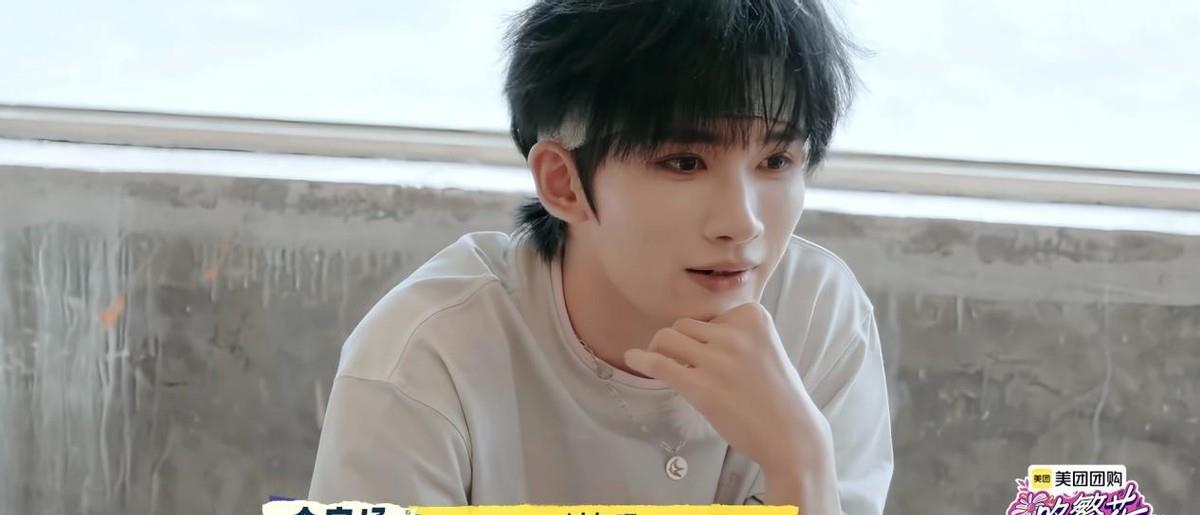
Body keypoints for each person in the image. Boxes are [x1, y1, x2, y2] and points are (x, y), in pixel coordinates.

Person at [309, 0, 893, 513]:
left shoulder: (820, 317)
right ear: (563, 183)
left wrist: (801, 459)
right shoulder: (422, 356)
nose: (743, 223)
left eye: (776, 162)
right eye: (685, 162)